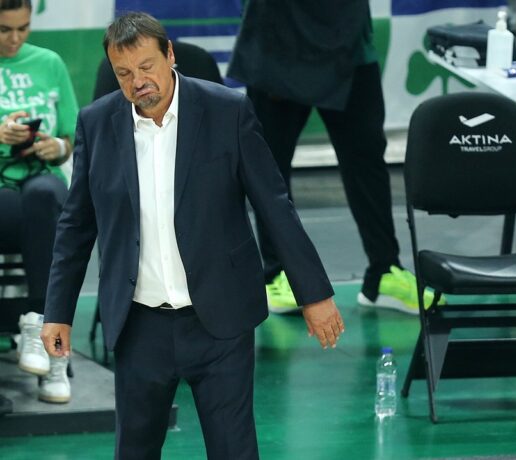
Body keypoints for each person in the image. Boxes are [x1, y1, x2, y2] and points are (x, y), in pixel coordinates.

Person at [40, 12, 343, 459]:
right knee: (135, 451)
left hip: (220, 319)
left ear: (170, 55)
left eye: (146, 66)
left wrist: (313, 294)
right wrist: (57, 311)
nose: (138, 82)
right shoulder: (96, 124)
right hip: (139, 324)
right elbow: (75, 225)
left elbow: (274, 206)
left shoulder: (227, 111)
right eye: (124, 73)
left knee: (234, 450)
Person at [228, 0, 441, 315]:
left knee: (367, 160)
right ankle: (278, 274)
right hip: (278, 42)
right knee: (270, 168)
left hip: (349, 43)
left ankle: (384, 272)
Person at [0, 0, 77, 404]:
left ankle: (42, 332)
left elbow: (72, 136)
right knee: (18, 207)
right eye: (4, 30)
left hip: (42, 180)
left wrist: (56, 148)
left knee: (45, 198)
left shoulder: (49, 63)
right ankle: (45, 340)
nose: (15, 39)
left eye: (23, 28)